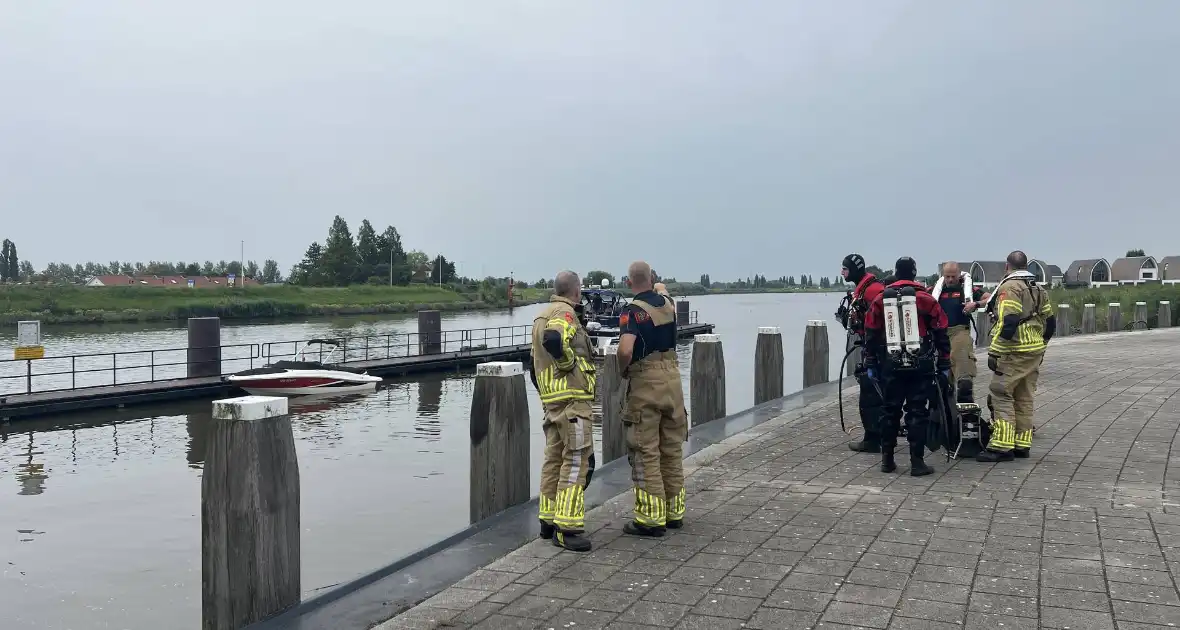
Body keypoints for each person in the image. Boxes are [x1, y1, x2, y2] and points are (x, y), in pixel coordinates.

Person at [616, 261, 688, 537]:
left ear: (629, 281)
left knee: (645, 449)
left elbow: (625, 349)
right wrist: (659, 285)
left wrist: (623, 368)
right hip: (672, 381)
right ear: (652, 277)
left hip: (646, 381)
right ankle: (674, 513)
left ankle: (650, 519)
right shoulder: (668, 305)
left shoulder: (632, 311)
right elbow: (663, 290)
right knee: (670, 449)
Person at [863, 257, 951, 476]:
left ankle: (887, 460)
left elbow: (871, 333)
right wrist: (944, 362)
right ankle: (917, 463)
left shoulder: (881, 299)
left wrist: (871, 362)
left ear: (895, 272)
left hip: (890, 363)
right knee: (917, 411)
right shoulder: (925, 298)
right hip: (919, 363)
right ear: (914, 273)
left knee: (889, 410)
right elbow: (941, 330)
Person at [529, 270, 597, 552]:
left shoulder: (540, 315)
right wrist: (569, 363)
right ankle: (567, 528)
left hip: (553, 401)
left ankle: (547, 520)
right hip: (572, 401)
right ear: (577, 291)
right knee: (576, 461)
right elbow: (554, 340)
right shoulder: (565, 313)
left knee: (554, 459)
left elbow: (534, 360)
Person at [976, 251, 1055, 462]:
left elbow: (1009, 322)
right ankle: (1022, 444)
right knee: (1024, 396)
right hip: (1034, 350)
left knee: (1000, 393)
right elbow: (1051, 322)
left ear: (1007, 266)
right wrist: (1041, 345)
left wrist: (995, 351)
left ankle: (1001, 446)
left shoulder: (1009, 288)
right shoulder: (1038, 288)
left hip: (1015, 350)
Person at [837, 254, 886, 453]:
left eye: (845, 269)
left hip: (876, 348)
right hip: (872, 346)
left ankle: (873, 439)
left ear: (855, 269)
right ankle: (878, 436)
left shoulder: (873, 290)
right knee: (873, 392)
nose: (842, 272)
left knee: (870, 394)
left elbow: (881, 319)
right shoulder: (864, 288)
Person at [929, 262, 978, 403]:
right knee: (941, 385)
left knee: (964, 383)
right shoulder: (935, 290)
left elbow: (989, 298)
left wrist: (975, 304)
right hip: (939, 335)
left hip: (959, 332)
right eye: (947, 276)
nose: (950, 280)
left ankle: (966, 410)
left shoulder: (967, 289)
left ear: (959, 274)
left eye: (953, 276)